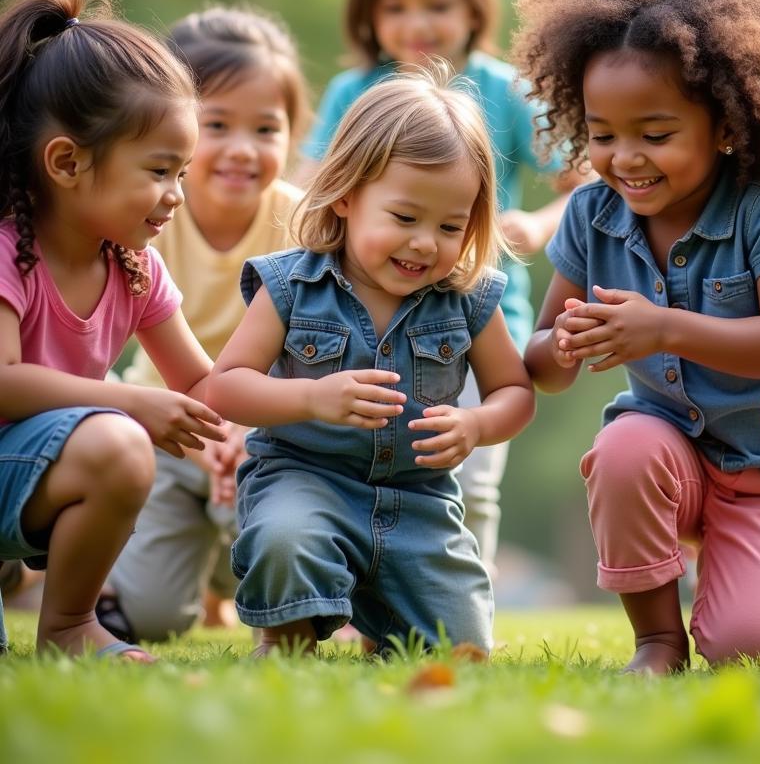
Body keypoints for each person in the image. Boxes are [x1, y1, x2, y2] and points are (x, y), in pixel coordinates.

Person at [517, 0, 760, 674]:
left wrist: (663, 328)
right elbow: (545, 363)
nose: (625, 158)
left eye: (656, 133)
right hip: (667, 459)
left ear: (726, 125)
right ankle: (657, 640)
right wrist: (563, 344)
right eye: (602, 135)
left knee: (752, 652)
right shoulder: (590, 215)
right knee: (622, 444)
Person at [293, 0, 583, 572]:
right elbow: (308, 190)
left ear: (475, 1)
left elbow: (587, 184)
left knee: (468, 476)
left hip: (476, 322)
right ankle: (366, 593)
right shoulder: (352, 93)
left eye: (437, 4)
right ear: (366, 10)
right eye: (394, 7)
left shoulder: (506, 90)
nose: (415, 24)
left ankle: (460, 603)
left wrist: (540, 224)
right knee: (372, 466)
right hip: (358, 320)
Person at [207, 68, 535, 656]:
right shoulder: (291, 285)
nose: (424, 243)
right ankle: (288, 635)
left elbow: (515, 391)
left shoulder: (470, 298)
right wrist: (310, 397)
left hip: (419, 502)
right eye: (404, 218)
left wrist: (477, 426)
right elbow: (226, 386)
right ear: (348, 194)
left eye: (450, 226)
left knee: (461, 650)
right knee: (286, 539)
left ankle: (388, 621)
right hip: (304, 482)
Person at [0, 0, 225, 660]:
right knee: (120, 438)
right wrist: (128, 402)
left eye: (182, 173)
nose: (175, 196)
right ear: (67, 163)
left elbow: (203, 384)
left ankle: (67, 627)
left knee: (116, 446)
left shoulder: (132, 269)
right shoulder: (8, 250)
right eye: (158, 171)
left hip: (25, 477)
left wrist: (277, 414)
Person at [97, 5, 310, 643]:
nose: (243, 149)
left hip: (270, 433)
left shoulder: (303, 225)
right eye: (216, 124)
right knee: (151, 619)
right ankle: (170, 571)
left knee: (283, 569)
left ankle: (227, 574)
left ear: (291, 135)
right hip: (166, 428)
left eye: (266, 128)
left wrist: (251, 427)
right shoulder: (151, 217)